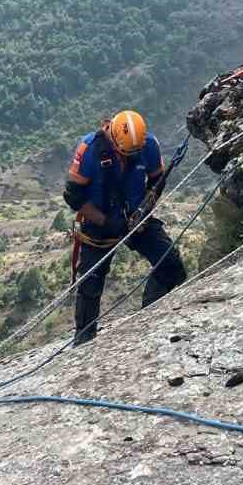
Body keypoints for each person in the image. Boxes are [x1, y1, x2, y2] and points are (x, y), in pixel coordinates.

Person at [62, 110, 186, 346]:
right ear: (114, 139)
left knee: (170, 265)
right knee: (90, 282)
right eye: (126, 152)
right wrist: (107, 222)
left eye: (134, 152)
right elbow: (73, 196)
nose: (131, 156)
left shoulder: (148, 145)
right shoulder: (89, 149)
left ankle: (148, 318)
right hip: (100, 223)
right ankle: (84, 338)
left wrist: (144, 211)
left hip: (134, 218)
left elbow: (156, 182)